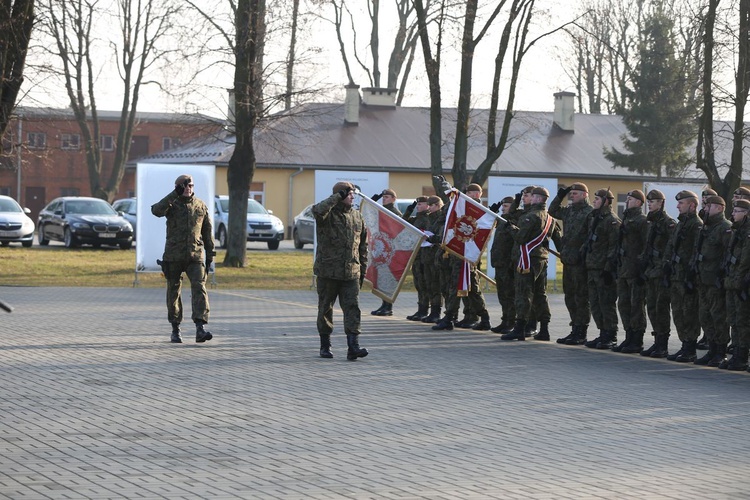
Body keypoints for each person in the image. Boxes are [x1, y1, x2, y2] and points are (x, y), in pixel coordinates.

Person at [151, 174, 215, 344]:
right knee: (173, 291)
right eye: (184, 185)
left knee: (199, 288)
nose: (188, 188)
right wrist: (174, 194)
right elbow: (156, 210)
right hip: (173, 256)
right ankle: (175, 328)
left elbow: (207, 231)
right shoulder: (172, 204)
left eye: (191, 185)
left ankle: (200, 328)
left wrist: (210, 254)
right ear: (178, 187)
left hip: (195, 255)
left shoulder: (200, 205)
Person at [313, 181, 369, 360]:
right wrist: (337, 196)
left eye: (353, 194)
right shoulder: (327, 214)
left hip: (351, 272)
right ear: (341, 195)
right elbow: (317, 210)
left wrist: (362, 269)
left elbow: (363, 246)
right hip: (328, 271)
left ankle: (353, 346)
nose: (352, 197)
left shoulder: (357, 216)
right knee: (325, 308)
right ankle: (325, 345)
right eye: (349, 194)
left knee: (353, 308)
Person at [500, 187, 561, 341]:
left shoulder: (531, 216)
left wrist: (510, 228)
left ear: (538, 199)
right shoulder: (550, 219)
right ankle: (544, 329)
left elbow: (521, 238)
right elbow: (558, 241)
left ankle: (520, 328)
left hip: (527, 260)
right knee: (540, 294)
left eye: (532, 196)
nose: (530, 199)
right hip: (542, 260)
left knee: (523, 293)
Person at [549, 182, 593, 345]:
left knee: (581, 297)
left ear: (584, 195)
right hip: (567, 260)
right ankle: (574, 327)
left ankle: (581, 331)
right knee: (570, 296)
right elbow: (552, 211)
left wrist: (583, 254)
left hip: (580, 262)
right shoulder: (569, 212)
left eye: (575, 193)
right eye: (571, 193)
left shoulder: (590, 213)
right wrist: (560, 195)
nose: (572, 195)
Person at [663, 191, 703, 362]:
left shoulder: (697, 225)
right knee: (678, 312)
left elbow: (696, 250)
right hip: (676, 275)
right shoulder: (681, 224)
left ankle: (690, 348)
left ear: (692, 206)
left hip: (687, 277)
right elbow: (672, 246)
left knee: (689, 313)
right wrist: (667, 267)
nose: (678, 206)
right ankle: (684, 344)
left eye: (682, 203)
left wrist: (691, 276)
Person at [692, 195, 731, 367]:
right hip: (703, 279)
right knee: (705, 316)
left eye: (709, 206)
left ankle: (720, 352)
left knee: (718, 317)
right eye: (705, 206)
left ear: (720, 208)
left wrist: (722, 276)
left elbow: (728, 254)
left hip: (715, 281)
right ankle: (712, 350)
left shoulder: (725, 228)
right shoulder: (706, 227)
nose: (705, 209)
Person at [582, 189, 621, 349]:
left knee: (606, 303)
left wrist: (608, 269)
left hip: (603, 270)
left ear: (605, 201)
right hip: (592, 267)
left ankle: (611, 334)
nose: (594, 201)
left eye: (597, 199)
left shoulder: (612, 221)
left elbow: (614, 247)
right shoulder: (595, 218)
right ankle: (602, 332)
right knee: (595, 302)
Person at [639, 190, 676, 358]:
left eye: (653, 201)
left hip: (660, 272)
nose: (650, 204)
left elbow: (671, 248)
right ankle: (657, 342)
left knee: (661, 308)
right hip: (650, 271)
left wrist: (662, 268)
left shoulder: (668, 223)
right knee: (652, 308)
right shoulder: (651, 222)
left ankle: (663, 345)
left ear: (661, 203)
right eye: (648, 201)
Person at [612, 190, 648, 353]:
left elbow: (646, 246)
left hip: (635, 270)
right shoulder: (626, 219)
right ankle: (628, 336)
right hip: (623, 269)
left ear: (639, 202)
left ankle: (637, 339)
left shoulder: (642, 221)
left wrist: (641, 269)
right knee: (624, 304)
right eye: (627, 199)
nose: (627, 201)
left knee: (636, 306)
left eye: (631, 199)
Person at [455, 183, 492, 331]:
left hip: (471, 255)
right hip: (461, 254)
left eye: (469, 193)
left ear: (477, 194)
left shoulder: (481, 212)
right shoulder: (464, 209)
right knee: (465, 289)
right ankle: (469, 315)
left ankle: (484, 317)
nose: (467, 195)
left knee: (473, 289)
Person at [721, 199, 750, 370]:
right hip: (732, 282)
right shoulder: (736, 232)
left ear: (746, 213)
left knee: (743, 321)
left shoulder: (747, 234)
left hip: (742, 284)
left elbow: (745, 262)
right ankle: (737, 354)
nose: (733, 214)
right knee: (734, 320)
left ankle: (742, 356)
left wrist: (742, 282)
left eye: (737, 211)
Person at [371, 188, 403, 317]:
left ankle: (388, 306)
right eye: (383, 197)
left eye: (387, 197)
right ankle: (384, 304)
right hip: (382, 249)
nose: (384, 199)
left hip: (391, 251)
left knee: (389, 279)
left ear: (394, 199)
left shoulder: (395, 213)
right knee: (382, 278)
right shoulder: (382, 211)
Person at [489, 196, 517, 333]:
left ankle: (511, 321)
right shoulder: (501, 221)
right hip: (499, 262)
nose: (502, 208)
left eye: (505, 206)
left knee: (509, 294)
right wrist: (490, 212)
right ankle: (505, 319)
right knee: (502, 294)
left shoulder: (513, 221)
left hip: (508, 263)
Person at [404, 196, 431, 321]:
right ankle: (421, 309)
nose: (418, 206)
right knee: (419, 284)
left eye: (421, 204)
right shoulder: (415, 219)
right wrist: (409, 210)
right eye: (418, 204)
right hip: (416, 255)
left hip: (426, 256)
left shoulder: (429, 219)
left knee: (426, 284)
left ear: (427, 205)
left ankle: (426, 310)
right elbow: (402, 222)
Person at [420, 195, 445, 324]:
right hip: (427, 256)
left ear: (438, 205)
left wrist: (430, 238)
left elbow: (440, 237)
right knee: (429, 285)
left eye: (431, 205)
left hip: (436, 256)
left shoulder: (441, 218)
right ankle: (432, 312)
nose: (429, 208)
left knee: (436, 285)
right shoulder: (430, 218)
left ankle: (436, 312)